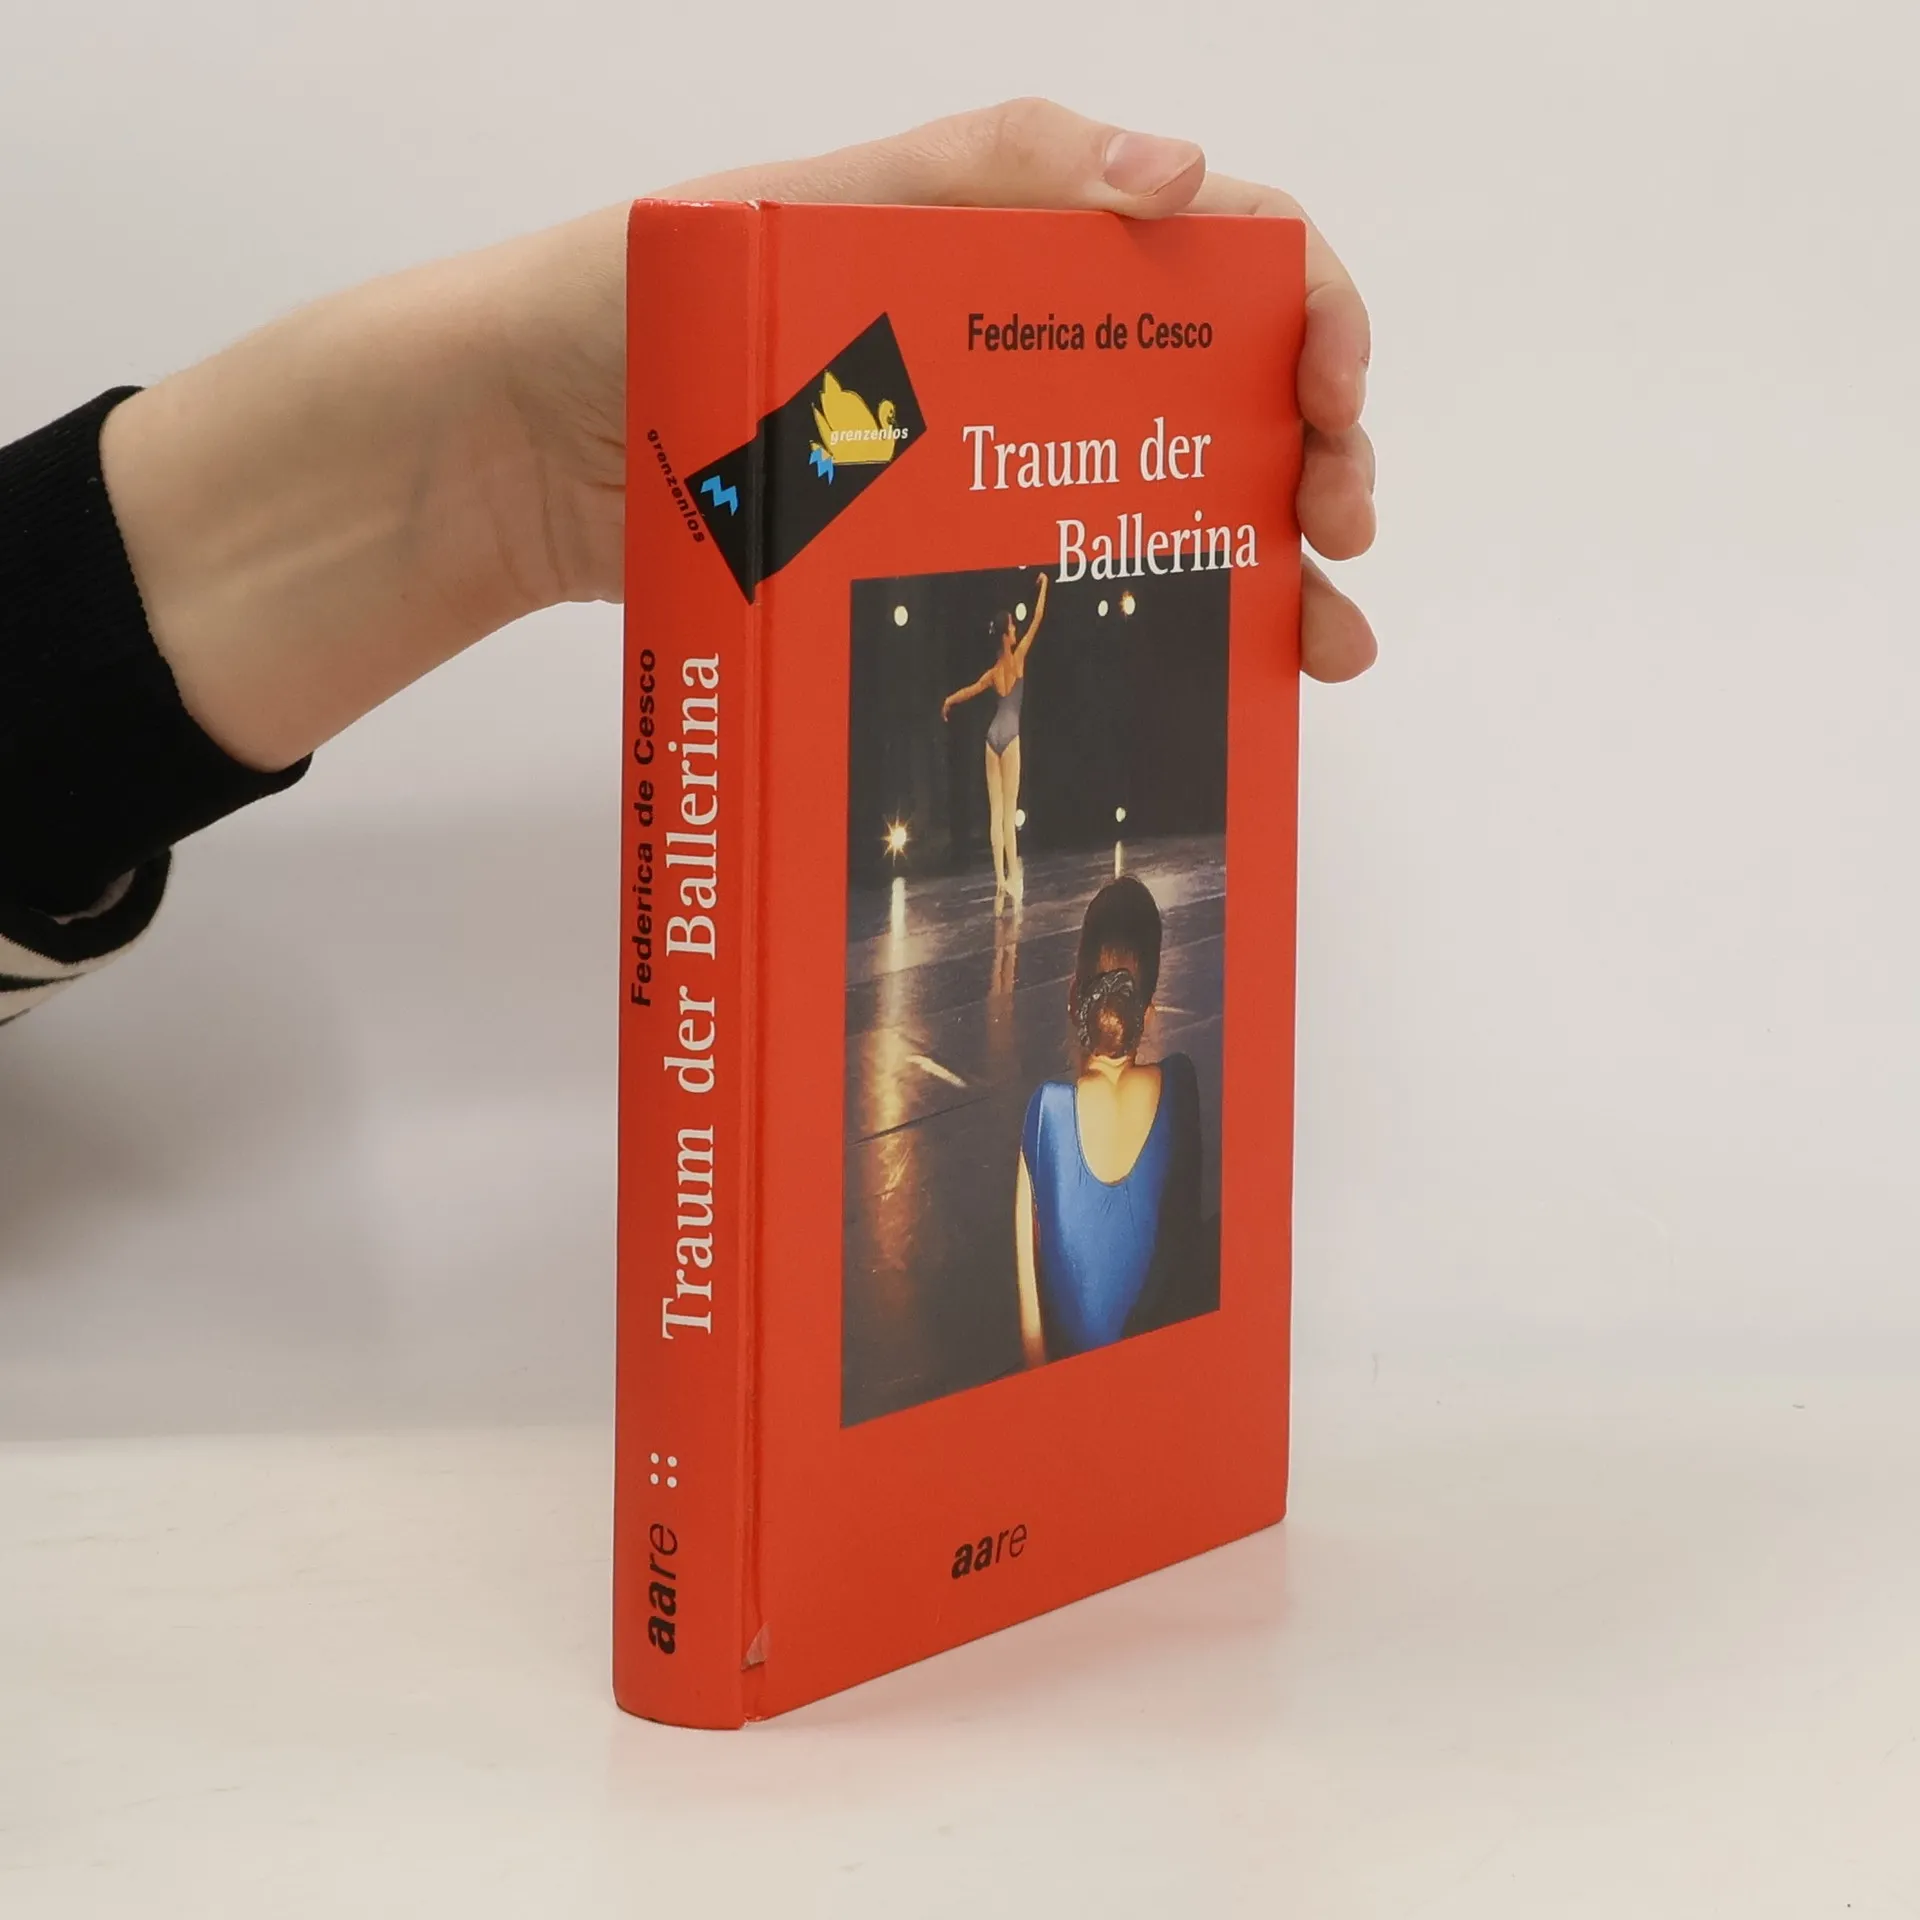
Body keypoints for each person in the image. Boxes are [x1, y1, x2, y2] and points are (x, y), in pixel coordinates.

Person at [0, 98, 1378, 1031]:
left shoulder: (1000, 626)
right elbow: (986, 665)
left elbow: (1007, 613)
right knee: (1004, 820)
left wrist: (514, 454)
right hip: (978, 712)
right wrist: (512, 453)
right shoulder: (998, 664)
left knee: (1005, 801)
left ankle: (1017, 882)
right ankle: (1015, 885)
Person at [1014, 875, 1212, 1366]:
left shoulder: (1046, 1116)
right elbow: (1187, 1266)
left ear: (1073, 995)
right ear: (1148, 1010)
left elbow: (1033, 1339)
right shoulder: (1180, 1087)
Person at [942, 570, 1050, 907]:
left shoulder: (993, 672)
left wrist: (949, 700)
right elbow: (1038, 617)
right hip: (1011, 736)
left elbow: (971, 690)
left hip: (992, 738)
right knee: (1008, 812)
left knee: (995, 813)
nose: (1017, 631)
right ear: (1006, 634)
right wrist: (1045, 585)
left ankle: (1000, 882)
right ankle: (1013, 878)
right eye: (1013, 628)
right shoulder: (1018, 660)